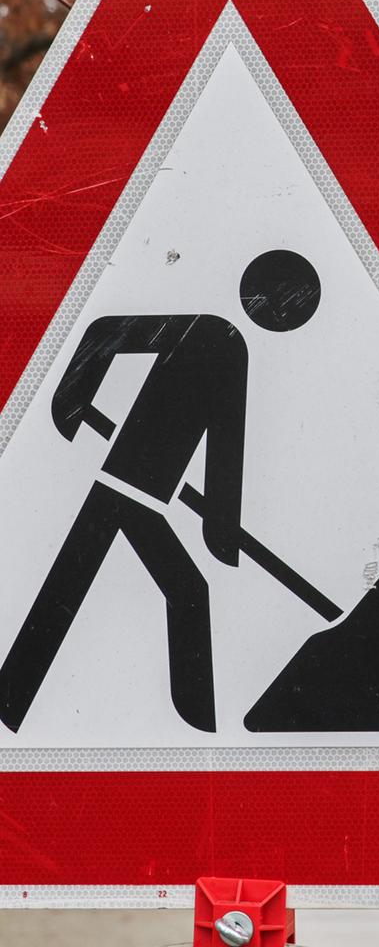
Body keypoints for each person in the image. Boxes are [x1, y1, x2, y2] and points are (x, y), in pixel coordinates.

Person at [0, 249, 321, 734]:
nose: (289, 315)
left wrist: (221, 529)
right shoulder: (216, 336)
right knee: (183, 591)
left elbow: (223, 447)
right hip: (126, 489)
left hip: (134, 493)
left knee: (76, 583)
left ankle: (13, 696)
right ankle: (201, 728)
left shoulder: (224, 341)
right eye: (290, 304)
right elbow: (105, 333)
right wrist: (70, 403)